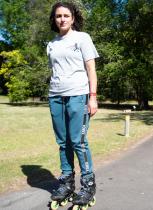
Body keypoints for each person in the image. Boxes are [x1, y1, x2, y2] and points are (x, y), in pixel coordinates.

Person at [47, 2, 99, 208]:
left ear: (73, 18)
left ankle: (88, 185)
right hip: (55, 96)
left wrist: (92, 96)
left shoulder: (82, 38)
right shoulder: (51, 44)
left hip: (78, 95)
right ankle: (67, 183)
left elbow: (91, 69)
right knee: (63, 142)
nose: (62, 19)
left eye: (66, 15)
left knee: (78, 141)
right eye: (58, 16)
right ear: (54, 19)